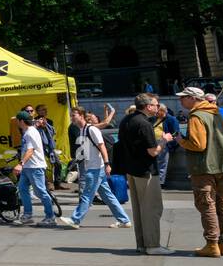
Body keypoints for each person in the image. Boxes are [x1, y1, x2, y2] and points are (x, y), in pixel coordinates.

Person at [175, 86, 223, 257]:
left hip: (204, 167)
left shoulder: (197, 115)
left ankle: (212, 244)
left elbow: (198, 145)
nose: (180, 101)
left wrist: (181, 141)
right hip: (221, 165)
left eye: (183, 97)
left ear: (192, 98)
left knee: (206, 204)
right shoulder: (216, 112)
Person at [112, 93, 174, 255]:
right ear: (148, 106)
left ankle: (142, 244)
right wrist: (164, 140)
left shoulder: (127, 120)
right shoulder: (144, 124)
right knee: (152, 208)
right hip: (146, 171)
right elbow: (153, 152)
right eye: (155, 104)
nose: (157, 107)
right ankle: (153, 245)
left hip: (131, 171)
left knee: (139, 210)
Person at [68, 109, 130, 228]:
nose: (72, 117)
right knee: (108, 196)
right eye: (71, 115)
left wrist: (107, 164)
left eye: (73, 115)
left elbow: (102, 147)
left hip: (96, 168)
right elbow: (86, 150)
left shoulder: (92, 129)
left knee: (86, 195)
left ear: (81, 116)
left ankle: (75, 219)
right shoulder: (82, 130)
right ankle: (124, 220)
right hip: (91, 167)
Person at [12, 110, 66, 227]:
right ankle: (27, 215)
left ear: (22, 121)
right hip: (28, 167)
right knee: (22, 189)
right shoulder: (29, 131)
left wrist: (20, 163)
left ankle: (50, 216)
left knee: (40, 191)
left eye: (17, 120)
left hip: (35, 166)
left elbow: (30, 150)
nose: (16, 122)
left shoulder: (30, 133)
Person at [153, 103, 181, 186]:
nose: (155, 113)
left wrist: (169, 142)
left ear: (162, 111)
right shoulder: (154, 119)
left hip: (164, 143)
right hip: (154, 143)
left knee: (161, 163)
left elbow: (176, 132)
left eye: (157, 111)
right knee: (156, 163)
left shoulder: (171, 119)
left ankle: (160, 182)